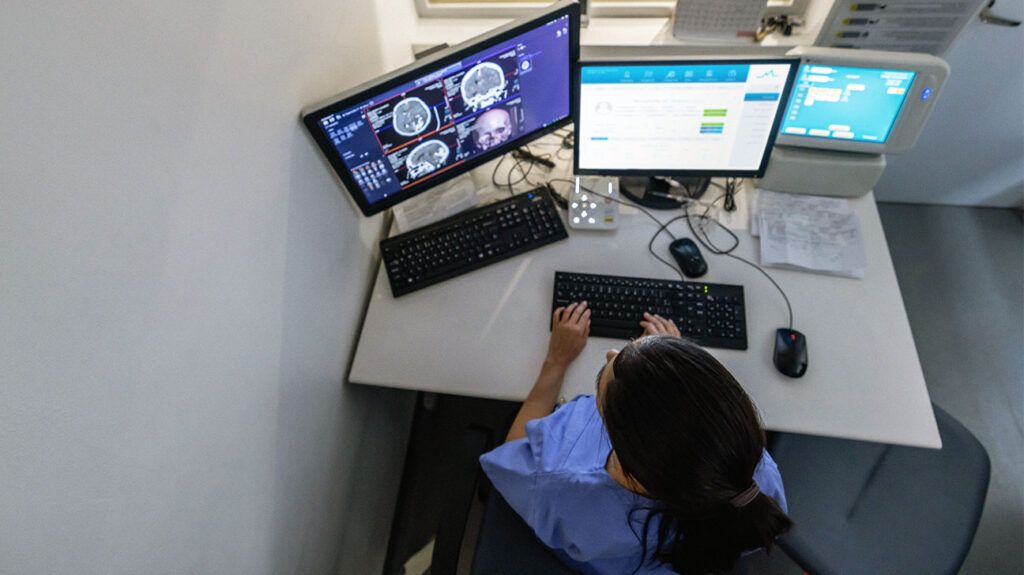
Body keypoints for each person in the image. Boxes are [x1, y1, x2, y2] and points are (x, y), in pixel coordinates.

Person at [480, 302, 792, 574]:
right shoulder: (752, 478)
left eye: (603, 382)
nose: (611, 352)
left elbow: (513, 449)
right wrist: (669, 365)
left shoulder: (558, 482)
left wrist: (556, 362)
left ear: (618, 437)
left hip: (603, 561)